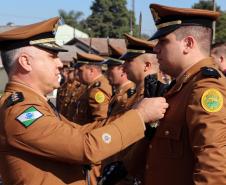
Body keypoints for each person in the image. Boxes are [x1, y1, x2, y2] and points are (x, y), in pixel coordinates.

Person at [0, 17, 169, 185]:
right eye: (52, 56)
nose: (60, 64)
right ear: (25, 62)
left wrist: (136, 115)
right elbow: (84, 147)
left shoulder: (33, 104)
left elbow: (81, 131)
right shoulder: (21, 111)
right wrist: (139, 116)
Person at [145, 3, 226, 185]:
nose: (155, 49)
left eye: (163, 41)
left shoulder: (205, 89)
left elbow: (213, 171)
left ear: (188, 44)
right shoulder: (182, 86)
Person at [72, 52, 112, 125]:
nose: (77, 74)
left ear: (91, 71)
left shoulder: (98, 89)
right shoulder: (90, 86)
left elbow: (100, 121)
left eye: (81, 71)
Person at [104, 43, 136, 117]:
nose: (107, 72)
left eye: (110, 68)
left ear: (123, 70)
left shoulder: (129, 94)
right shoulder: (119, 92)